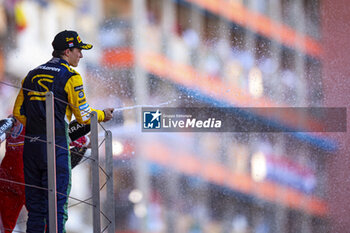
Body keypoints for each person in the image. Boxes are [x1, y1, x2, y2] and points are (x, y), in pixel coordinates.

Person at [13, 30, 114, 233]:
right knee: (57, 208)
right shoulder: (71, 76)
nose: (81, 55)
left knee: (35, 209)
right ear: (68, 51)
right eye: (79, 50)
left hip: (31, 147)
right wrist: (102, 114)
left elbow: (18, 114)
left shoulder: (31, 74)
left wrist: (38, 126)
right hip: (56, 147)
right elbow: (84, 116)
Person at [0, 117, 92, 233]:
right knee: (41, 219)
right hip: (29, 180)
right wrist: (86, 141)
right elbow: (63, 136)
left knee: (5, 225)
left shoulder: (14, 119)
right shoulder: (43, 120)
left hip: (7, 178)